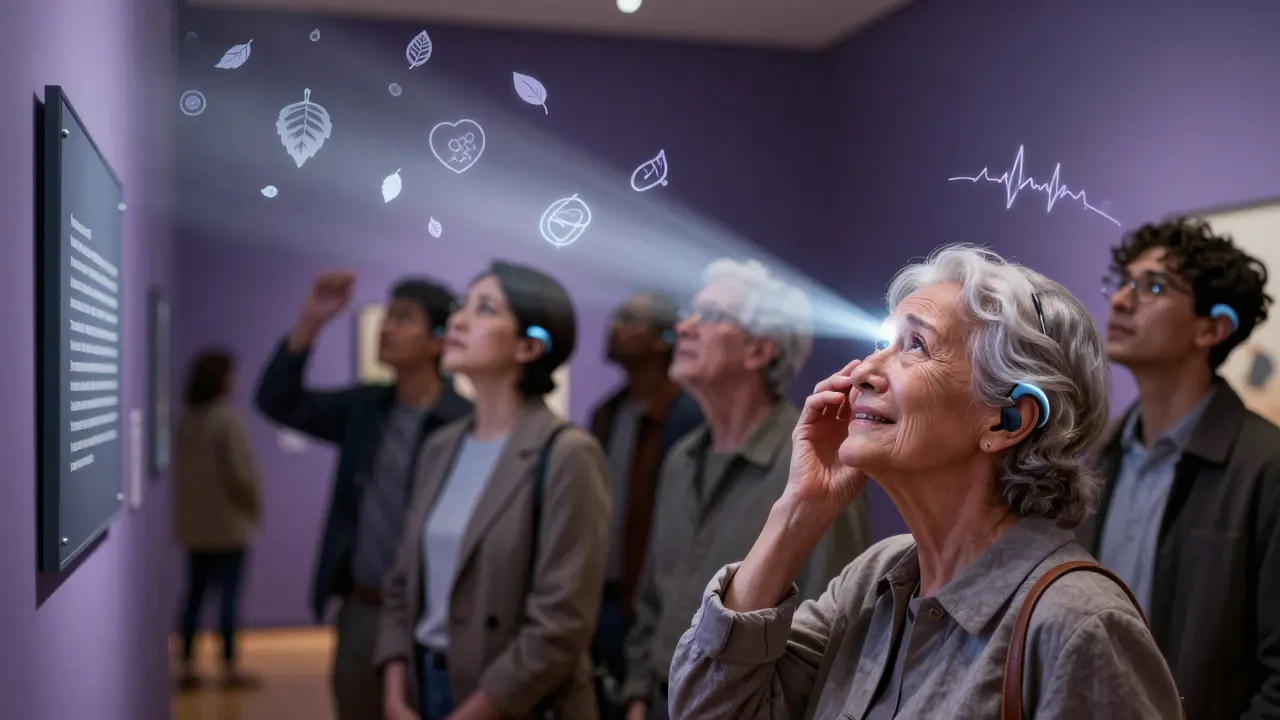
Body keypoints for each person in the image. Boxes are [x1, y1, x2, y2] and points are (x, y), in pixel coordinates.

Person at [667, 245, 1185, 719]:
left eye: (915, 345)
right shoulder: (872, 582)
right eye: (881, 343)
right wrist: (800, 509)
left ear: (1007, 420)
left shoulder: (1079, 624)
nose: (866, 371)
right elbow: (707, 709)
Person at [623, 258, 871, 720]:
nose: (686, 326)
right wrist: (637, 694)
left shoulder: (813, 465)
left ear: (760, 349)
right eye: (689, 312)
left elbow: (829, 633)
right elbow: (653, 601)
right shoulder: (681, 459)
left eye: (711, 316)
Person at [376, 261, 611, 720]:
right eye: (462, 306)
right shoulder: (440, 447)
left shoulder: (568, 454)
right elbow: (401, 584)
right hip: (423, 685)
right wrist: (393, 693)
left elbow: (560, 626)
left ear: (529, 345)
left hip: (512, 701)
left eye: (484, 309)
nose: (459, 320)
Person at [1079, 217, 1280, 719]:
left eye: (1153, 287)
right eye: (1122, 283)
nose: (1120, 301)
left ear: (1211, 328)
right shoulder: (1091, 461)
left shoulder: (1266, 467)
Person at [254, 273, 471, 720]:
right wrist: (311, 322)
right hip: (361, 611)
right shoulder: (365, 409)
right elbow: (276, 400)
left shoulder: (465, 423)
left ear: (437, 342)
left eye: (403, 319)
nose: (386, 328)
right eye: (387, 317)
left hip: (433, 617)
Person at [589, 292, 704, 689]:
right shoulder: (608, 412)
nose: (613, 326)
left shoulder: (687, 417)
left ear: (662, 338)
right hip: (600, 594)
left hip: (652, 600)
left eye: (629, 319)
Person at [173, 349, 262, 690]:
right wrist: (254, 509)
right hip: (228, 527)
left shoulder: (187, 421)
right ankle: (229, 668)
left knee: (193, 597)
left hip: (194, 528)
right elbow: (243, 477)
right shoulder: (228, 420)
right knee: (228, 599)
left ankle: (187, 666)